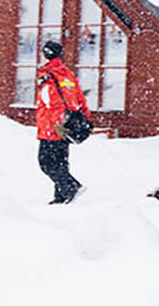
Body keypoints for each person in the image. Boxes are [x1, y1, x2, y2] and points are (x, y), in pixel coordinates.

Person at [34, 39, 90, 204]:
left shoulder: (47, 75)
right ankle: (61, 196)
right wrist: (84, 118)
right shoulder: (67, 74)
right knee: (61, 162)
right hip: (68, 124)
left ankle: (71, 187)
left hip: (53, 127)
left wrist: (56, 124)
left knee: (46, 163)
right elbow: (80, 98)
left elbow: (51, 101)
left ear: (47, 54)